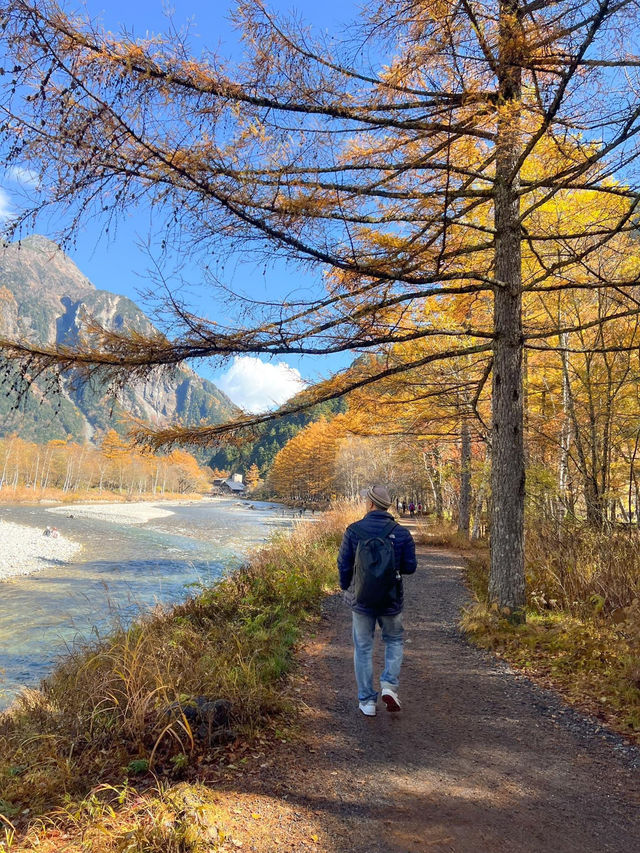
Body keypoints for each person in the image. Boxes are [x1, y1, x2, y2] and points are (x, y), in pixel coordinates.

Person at [337, 484, 417, 716]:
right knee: (393, 640)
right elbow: (410, 567)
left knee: (363, 648)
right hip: (391, 600)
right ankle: (389, 686)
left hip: (361, 600)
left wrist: (345, 587)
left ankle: (367, 702)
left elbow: (343, 564)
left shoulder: (354, 531)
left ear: (370, 504)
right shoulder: (401, 533)